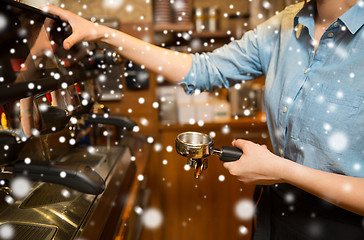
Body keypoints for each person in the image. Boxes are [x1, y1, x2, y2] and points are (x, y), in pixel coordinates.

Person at [43, 0, 364, 239]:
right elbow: (203, 70)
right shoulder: (286, 23)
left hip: (345, 225)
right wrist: (104, 34)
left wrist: (283, 170)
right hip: (278, 210)